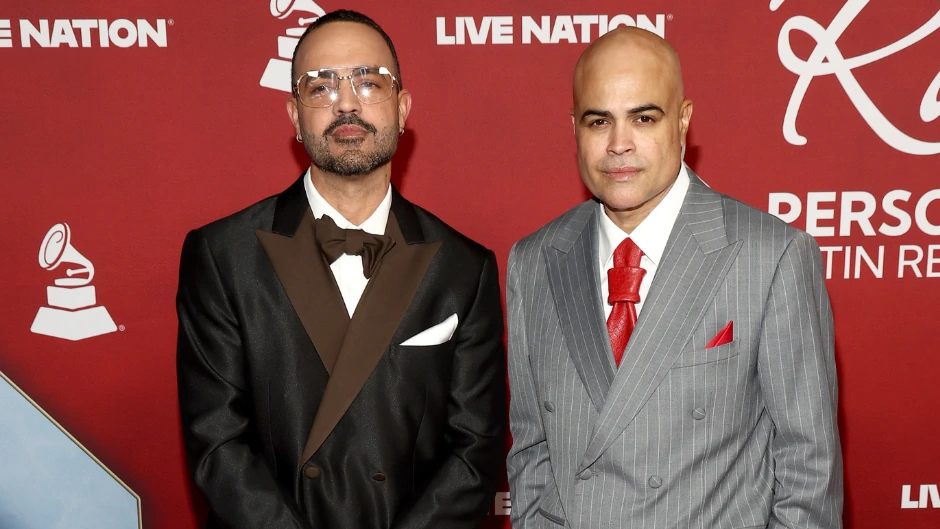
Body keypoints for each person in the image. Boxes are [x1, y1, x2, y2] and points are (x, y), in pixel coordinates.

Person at [176, 10, 505, 529]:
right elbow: (217, 445)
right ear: (294, 116)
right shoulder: (222, 256)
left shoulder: (465, 267)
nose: (346, 103)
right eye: (321, 86)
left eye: (369, 82)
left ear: (403, 108)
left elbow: (475, 453)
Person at [506, 27, 842, 528]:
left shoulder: (771, 256)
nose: (619, 144)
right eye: (600, 121)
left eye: (644, 117)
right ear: (574, 126)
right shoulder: (533, 261)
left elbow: (809, 467)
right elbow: (531, 450)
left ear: (683, 122)